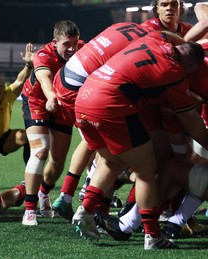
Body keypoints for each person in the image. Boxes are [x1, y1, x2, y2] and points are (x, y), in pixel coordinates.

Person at [72, 32, 207, 250]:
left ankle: (85, 210)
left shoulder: (154, 39)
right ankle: (152, 236)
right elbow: (191, 120)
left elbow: (166, 34)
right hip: (110, 104)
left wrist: (184, 43)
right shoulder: (173, 73)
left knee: (112, 162)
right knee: (147, 171)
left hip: (85, 96)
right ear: (190, 67)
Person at [50, 22, 156, 220]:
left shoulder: (125, 25)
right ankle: (99, 209)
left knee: (95, 145)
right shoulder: (150, 43)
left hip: (65, 79)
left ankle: (67, 195)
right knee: (112, 156)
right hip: (83, 89)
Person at [20, 20, 82, 225]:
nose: (72, 48)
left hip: (63, 105)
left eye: (75, 42)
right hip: (38, 101)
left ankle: (43, 194)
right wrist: (50, 97)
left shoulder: (83, 50)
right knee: (40, 151)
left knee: (57, 163)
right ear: (55, 42)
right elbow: (45, 79)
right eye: (66, 44)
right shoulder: (43, 55)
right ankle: (29, 210)